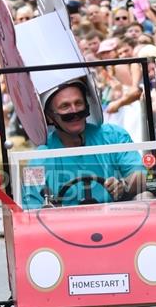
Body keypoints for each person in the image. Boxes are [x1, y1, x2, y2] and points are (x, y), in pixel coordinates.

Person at [21, 79, 148, 210]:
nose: (74, 111)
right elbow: (30, 204)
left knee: (146, 196)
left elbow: (142, 174)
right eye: (65, 106)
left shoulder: (114, 136)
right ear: (49, 117)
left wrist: (123, 185)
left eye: (78, 103)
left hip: (115, 221)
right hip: (65, 227)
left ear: (87, 106)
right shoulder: (38, 159)